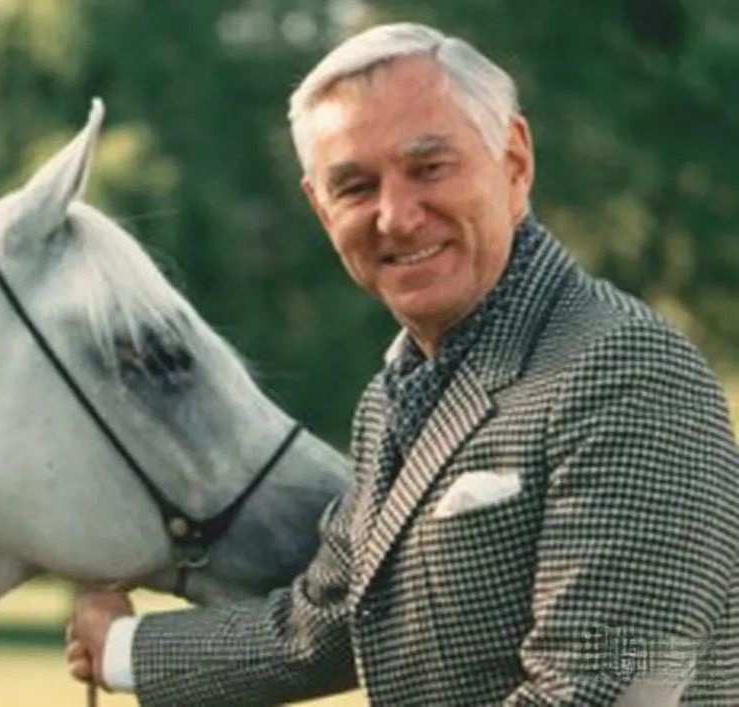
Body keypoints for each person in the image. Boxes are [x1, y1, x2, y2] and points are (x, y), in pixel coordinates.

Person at [66, 22, 739, 705]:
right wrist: (121, 648)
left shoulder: (628, 371)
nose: (396, 216)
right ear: (321, 208)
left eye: (429, 168)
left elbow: (611, 686)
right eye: (355, 187)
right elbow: (321, 625)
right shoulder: (391, 399)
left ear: (514, 162)